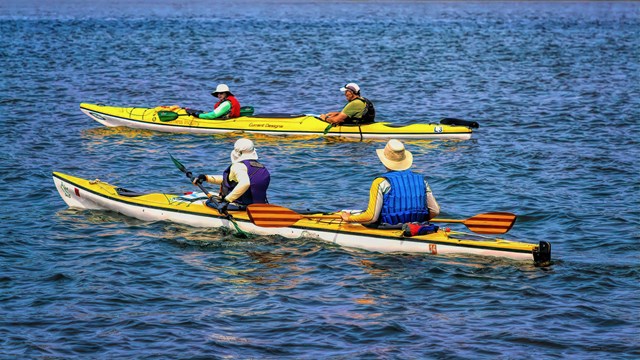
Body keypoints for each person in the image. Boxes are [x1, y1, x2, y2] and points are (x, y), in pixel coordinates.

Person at [340, 139, 440, 227]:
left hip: (389, 227)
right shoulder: (422, 181)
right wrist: (417, 221)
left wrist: (349, 218)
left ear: (384, 161)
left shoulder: (380, 182)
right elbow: (435, 211)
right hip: (418, 226)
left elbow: (371, 217)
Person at [193, 138, 270, 211]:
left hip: (240, 206)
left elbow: (245, 183)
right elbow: (230, 181)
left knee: (209, 201)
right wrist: (206, 178)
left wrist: (226, 201)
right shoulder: (261, 167)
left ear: (237, 152)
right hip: (257, 206)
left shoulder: (238, 166)